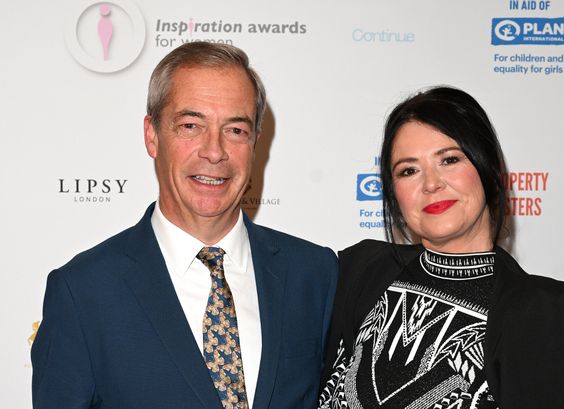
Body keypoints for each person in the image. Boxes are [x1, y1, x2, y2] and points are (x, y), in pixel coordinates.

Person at [31, 42, 338, 409]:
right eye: (191, 126)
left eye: (235, 130)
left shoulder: (315, 274)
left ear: (256, 142)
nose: (214, 151)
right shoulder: (83, 291)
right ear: (152, 135)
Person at [318, 86, 564, 409]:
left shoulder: (540, 312)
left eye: (449, 160)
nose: (431, 183)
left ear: (486, 167)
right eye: (409, 170)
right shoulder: (361, 269)